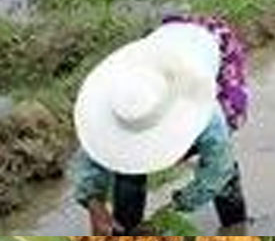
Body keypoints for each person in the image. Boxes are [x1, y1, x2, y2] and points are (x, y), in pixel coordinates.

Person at [72, 16, 250, 234]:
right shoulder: (114, 103)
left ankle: (235, 226)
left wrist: (173, 211)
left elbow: (218, 167)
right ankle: (125, 230)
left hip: (208, 45)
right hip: (161, 45)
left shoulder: (206, 111)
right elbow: (92, 156)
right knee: (127, 163)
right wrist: (95, 206)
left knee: (223, 168)